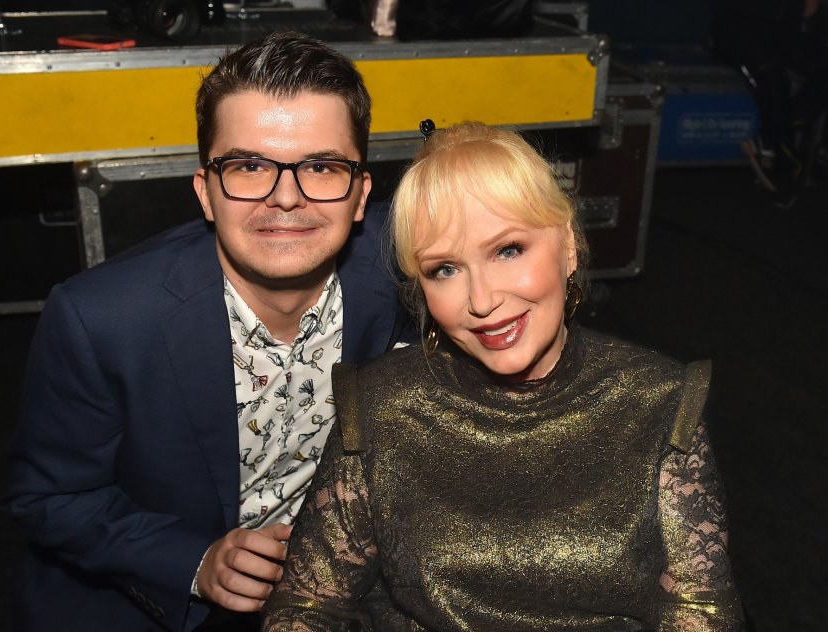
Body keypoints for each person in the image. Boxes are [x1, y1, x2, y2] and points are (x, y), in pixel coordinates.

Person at [261, 122, 744, 631]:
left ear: (567, 246)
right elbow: (309, 607)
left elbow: (699, 611)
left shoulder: (658, 401)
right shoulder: (382, 407)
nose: (483, 300)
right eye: (445, 269)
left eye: (508, 250)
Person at [4, 31, 411, 631]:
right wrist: (194, 562)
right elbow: (48, 498)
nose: (286, 198)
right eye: (249, 166)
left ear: (360, 196)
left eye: (321, 167)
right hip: (150, 603)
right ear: (205, 192)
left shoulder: (402, 265)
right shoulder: (103, 318)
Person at [708, 0, 828, 207]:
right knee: (773, 77)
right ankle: (780, 163)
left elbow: (809, 10)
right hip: (736, 29)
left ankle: (777, 136)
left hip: (781, 32)